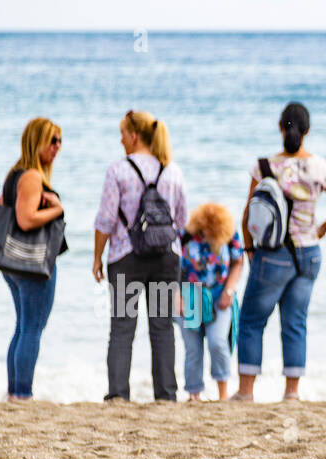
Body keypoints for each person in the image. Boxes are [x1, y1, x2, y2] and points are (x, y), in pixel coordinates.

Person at [234, 102, 326, 401]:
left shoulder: (264, 167)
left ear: (280, 127)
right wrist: (322, 229)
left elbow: (248, 215)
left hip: (272, 254)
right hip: (309, 253)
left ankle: (246, 392)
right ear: (308, 130)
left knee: (252, 321)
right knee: (295, 322)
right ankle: (291, 393)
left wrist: (249, 250)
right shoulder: (320, 168)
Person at [93, 109, 189, 402]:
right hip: (165, 258)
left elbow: (106, 220)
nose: (121, 140)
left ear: (134, 136)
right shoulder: (171, 170)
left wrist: (97, 257)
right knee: (161, 328)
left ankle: (119, 395)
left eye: (122, 134)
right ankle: (166, 395)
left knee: (122, 328)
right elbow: (182, 220)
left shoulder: (118, 170)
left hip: (126, 258)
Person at [0, 117, 64, 401]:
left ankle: (15, 391)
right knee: (32, 329)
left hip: (12, 263)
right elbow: (26, 220)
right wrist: (57, 210)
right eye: (52, 140)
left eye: (59, 141)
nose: (57, 147)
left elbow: (3, 207)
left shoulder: (15, 174)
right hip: (32, 265)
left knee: (24, 326)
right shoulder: (32, 177)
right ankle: (23, 392)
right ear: (36, 141)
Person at [179, 204, 245, 401]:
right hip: (190, 294)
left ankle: (223, 394)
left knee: (218, 342)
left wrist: (229, 290)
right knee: (192, 347)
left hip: (219, 294)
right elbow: (171, 266)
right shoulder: (185, 235)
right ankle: (194, 395)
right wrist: (177, 296)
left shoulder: (231, 235)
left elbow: (238, 263)